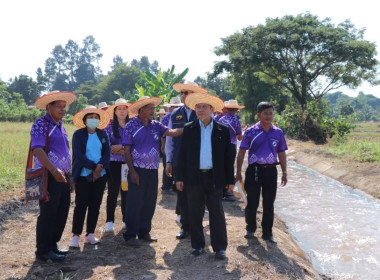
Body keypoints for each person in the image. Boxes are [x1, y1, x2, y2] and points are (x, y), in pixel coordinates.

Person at [175, 92, 234, 260]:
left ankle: (220, 247)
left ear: (212, 109)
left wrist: (230, 180)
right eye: (198, 107)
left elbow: (228, 158)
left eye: (204, 107)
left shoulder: (223, 130)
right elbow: (182, 155)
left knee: (217, 212)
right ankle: (197, 245)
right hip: (194, 177)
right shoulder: (189, 129)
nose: (201, 110)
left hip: (214, 177)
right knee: (194, 212)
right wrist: (179, 177)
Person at [122, 96, 183, 247]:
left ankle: (144, 232)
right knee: (134, 203)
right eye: (150, 108)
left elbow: (173, 132)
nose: (153, 111)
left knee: (149, 202)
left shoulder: (156, 125)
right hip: (137, 170)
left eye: (154, 109)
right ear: (141, 110)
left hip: (153, 170)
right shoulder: (131, 126)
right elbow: (126, 150)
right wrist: (132, 171)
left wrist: (191, 126)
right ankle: (130, 235)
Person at [31, 91, 77, 262]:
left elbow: (66, 152)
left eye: (64, 107)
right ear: (48, 107)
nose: (63, 110)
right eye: (59, 106)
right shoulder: (41, 124)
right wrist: (54, 170)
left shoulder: (60, 126)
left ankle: (53, 245)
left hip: (63, 176)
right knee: (48, 213)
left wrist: (69, 175)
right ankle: (43, 250)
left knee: (61, 211)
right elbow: (37, 150)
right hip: (49, 176)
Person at [235, 102, 288, 244]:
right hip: (254, 171)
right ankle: (250, 228)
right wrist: (238, 172)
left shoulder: (278, 133)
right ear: (259, 115)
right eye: (265, 113)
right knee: (251, 201)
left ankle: (268, 233)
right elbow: (241, 153)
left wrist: (284, 172)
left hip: (271, 171)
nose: (268, 116)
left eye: (270, 113)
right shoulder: (251, 132)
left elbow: (282, 153)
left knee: (269, 203)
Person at [165, 81, 207, 239]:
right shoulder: (175, 114)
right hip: (179, 161)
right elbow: (169, 140)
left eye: (187, 92)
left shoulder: (203, 112)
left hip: (200, 161)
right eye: (182, 93)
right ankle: (185, 226)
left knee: (198, 194)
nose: (183, 95)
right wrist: (168, 160)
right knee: (182, 194)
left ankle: (197, 225)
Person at [69, 106, 111, 248]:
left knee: (95, 204)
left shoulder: (103, 134)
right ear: (85, 119)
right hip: (83, 175)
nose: (93, 119)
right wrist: (94, 167)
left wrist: (99, 167)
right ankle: (75, 235)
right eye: (90, 117)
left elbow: (107, 153)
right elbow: (79, 157)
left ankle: (90, 233)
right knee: (81, 204)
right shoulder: (78, 135)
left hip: (101, 175)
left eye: (95, 117)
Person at [104, 98, 131, 232]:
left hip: (128, 164)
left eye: (124, 108)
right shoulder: (109, 125)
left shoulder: (132, 125)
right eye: (119, 109)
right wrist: (124, 148)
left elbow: (135, 144)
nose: (122, 111)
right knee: (113, 192)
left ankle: (126, 219)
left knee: (126, 191)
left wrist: (120, 147)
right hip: (113, 163)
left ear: (127, 111)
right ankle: (109, 220)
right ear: (115, 111)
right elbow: (107, 145)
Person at [217, 99, 245, 201]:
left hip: (220, 146)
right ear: (236, 110)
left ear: (227, 109)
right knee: (229, 167)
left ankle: (220, 191)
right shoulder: (237, 121)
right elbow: (239, 138)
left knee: (221, 167)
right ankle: (228, 191)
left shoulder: (220, 120)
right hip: (231, 146)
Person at [160, 96, 183, 195]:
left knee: (177, 164)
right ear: (170, 108)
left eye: (177, 106)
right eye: (174, 106)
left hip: (178, 144)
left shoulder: (182, 115)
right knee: (167, 164)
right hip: (169, 144)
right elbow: (164, 134)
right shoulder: (166, 118)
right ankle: (166, 186)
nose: (176, 108)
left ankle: (174, 184)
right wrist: (163, 146)